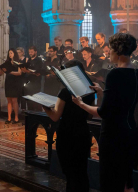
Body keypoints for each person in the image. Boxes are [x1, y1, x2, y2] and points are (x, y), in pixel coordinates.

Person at [72, 33, 138, 192]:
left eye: (110, 49)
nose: (108, 52)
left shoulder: (114, 74)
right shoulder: (136, 72)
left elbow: (104, 112)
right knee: (126, 180)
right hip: (130, 130)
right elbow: (124, 102)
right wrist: (103, 93)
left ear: (117, 51)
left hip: (113, 134)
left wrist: (81, 104)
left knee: (110, 179)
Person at [43, 60, 94, 192]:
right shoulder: (89, 89)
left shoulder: (65, 92)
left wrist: (44, 107)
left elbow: (55, 116)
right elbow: (90, 115)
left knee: (70, 174)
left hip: (67, 134)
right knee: (81, 172)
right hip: (82, 132)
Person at [22, 46, 43, 111]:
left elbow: (38, 71)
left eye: (31, 52)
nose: (30, 53)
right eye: (29, 52)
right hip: (29, 82)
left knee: (36, 100)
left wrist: (28, 71)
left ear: (35, 52)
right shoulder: (29, 60)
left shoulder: (39, 60)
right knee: (29, 100)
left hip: (36, 83)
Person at [4, 48, 22, 124]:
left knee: (14, 100)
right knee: (9, 100)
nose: (10, 54)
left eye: (11, 53)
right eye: (9, 53)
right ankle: (9, 118)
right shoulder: (7, 62)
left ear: (14, 53)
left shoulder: (18, 62)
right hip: (8, 82)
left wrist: (10, 72)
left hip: (15, 82)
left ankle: (16, 117)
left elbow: (19, 73)